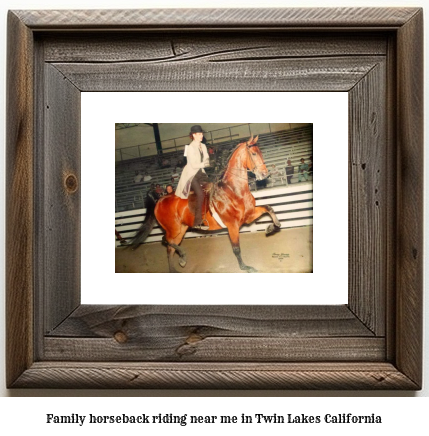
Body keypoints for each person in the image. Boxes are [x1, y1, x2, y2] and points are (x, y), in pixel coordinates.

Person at [175, 125, 210, 230]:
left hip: (201, 172)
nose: (201, 136)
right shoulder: (189, 148)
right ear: (193, 135)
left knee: (212, 188)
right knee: (200, 194)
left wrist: (206, 163)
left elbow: (207, 158)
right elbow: (194, 165)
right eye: (199, 134)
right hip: (191, 174)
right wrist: (204, 164)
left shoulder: (203, 146)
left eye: (202, 134)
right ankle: (198, 221)